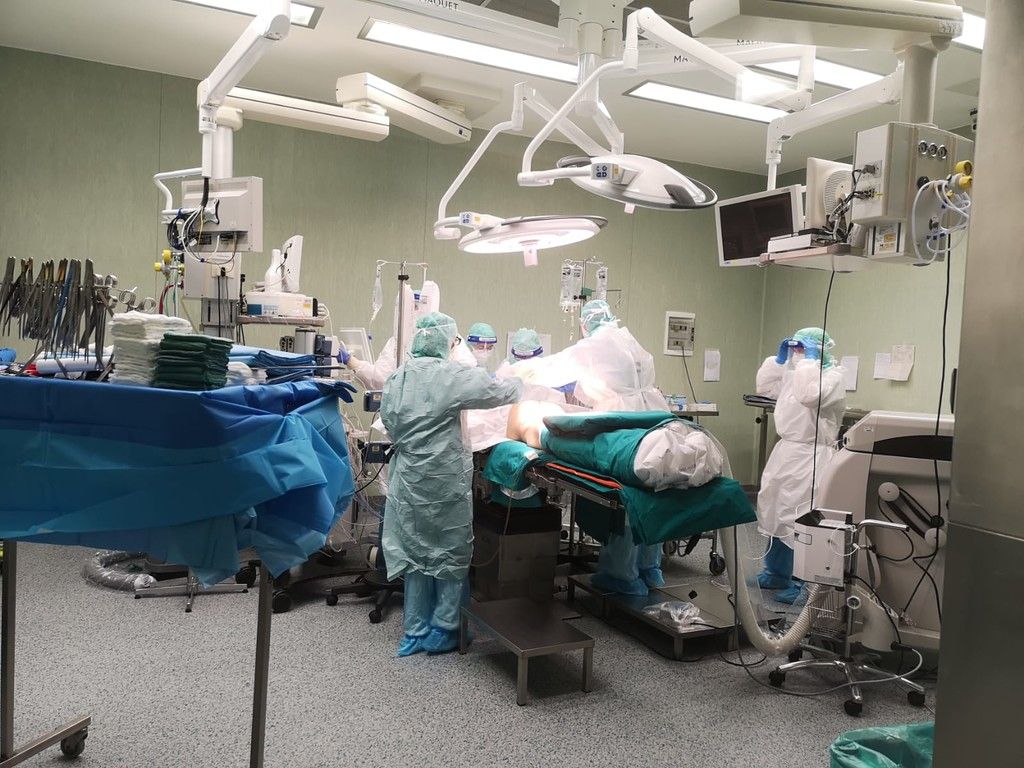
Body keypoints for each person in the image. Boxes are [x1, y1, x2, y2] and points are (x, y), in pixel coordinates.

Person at [380, 312, 523, 657]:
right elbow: (499, 392)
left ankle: (414, 630)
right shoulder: (451, 375)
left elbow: (389, 421)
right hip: (442, 478)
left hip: (409, 477)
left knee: (415, 552)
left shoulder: (399, 377)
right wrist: (523, 378)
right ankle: (445, 627)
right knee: (449, 549)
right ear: (448, 341)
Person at [572, 299, 671, 596]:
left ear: (585, 323)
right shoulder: (627, 339)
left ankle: (621, 574)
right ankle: (649, 569)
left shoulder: (597, 344)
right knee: (648, 495)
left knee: (624, 501)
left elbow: (572, 375)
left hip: (621, 427)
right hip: (650, 420)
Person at [755, 327, 846, 604]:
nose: (797, 353)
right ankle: (777, 572)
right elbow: (765, 389)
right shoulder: (797, 373)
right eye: (795, 348)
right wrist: (778, 362)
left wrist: (809, 361)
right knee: (776, 511)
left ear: (819, 350)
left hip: (812, 456)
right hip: (787, 451)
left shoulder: (832, 377)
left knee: (801, 516)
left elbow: (809, 396)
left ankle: (803, 582)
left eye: (802, 348)